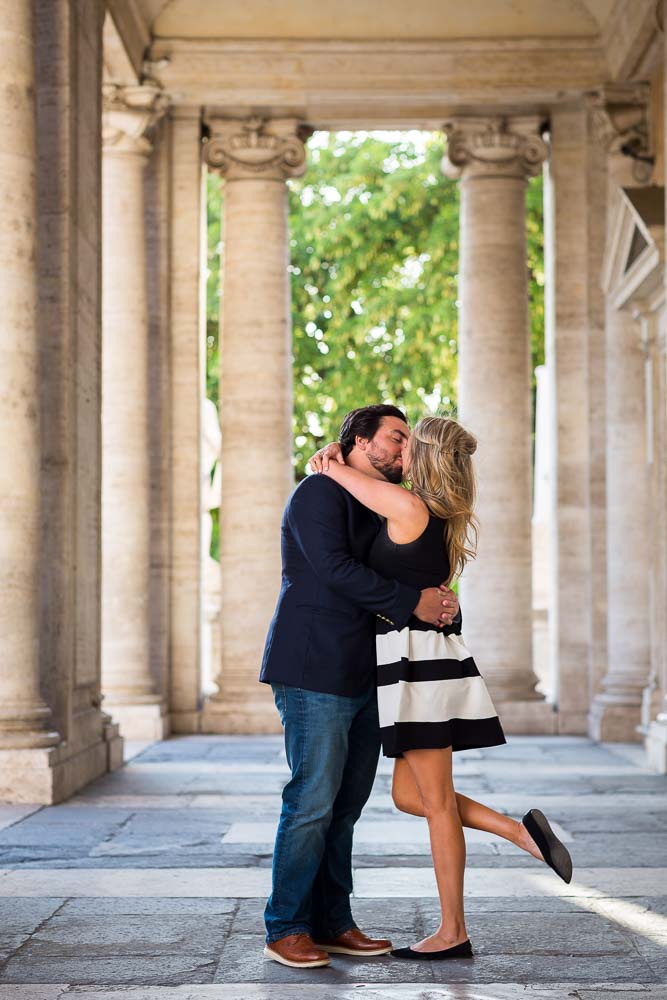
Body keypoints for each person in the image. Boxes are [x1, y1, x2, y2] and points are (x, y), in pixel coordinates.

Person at [311, 414, 573, 960]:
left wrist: (330, 462)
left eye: (409, 443)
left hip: (418, 667)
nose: (400, 450)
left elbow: (340, 476)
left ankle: (453, 931)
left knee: (433, 802)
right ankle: (519, 831)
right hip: (423, 663)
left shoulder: (409, 508)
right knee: (409, 796)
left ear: (425, 455)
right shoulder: (444, 518)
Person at [259, 404, 460, 969]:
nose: (405, 450)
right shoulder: (317, 493)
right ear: (357, 440)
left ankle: (331, 921)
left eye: (407, 442)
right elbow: (334, 570)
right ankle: (285, 926)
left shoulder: (376, 502)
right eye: (395, 439)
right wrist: (411, 601)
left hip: (369, 670)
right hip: (314, 666)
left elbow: (404, 564)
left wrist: (439, 597)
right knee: (312, 799)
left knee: (345, 804)